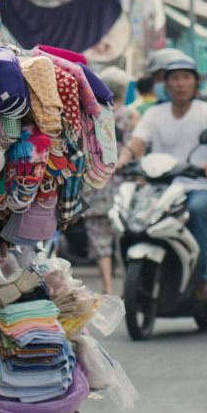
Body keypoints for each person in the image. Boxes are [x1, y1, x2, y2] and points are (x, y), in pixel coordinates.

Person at [122, 50, 207, 301]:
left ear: (195, 83)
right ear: (165, 84)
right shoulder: (154, 114)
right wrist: (121, 160)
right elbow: (137, 141)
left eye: (185, 78)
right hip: (160, 186)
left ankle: (201, 279)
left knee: (197, 210)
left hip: (198, 184)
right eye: (174, 78)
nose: (180, 83)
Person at [81, 66, 135, 296]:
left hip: (97, 180)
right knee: (127, 232)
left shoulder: (93, 114)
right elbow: (136, 148)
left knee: (100, 237)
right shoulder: (130, 116)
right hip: (124, 181)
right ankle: (128, 282)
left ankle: (108, 285)